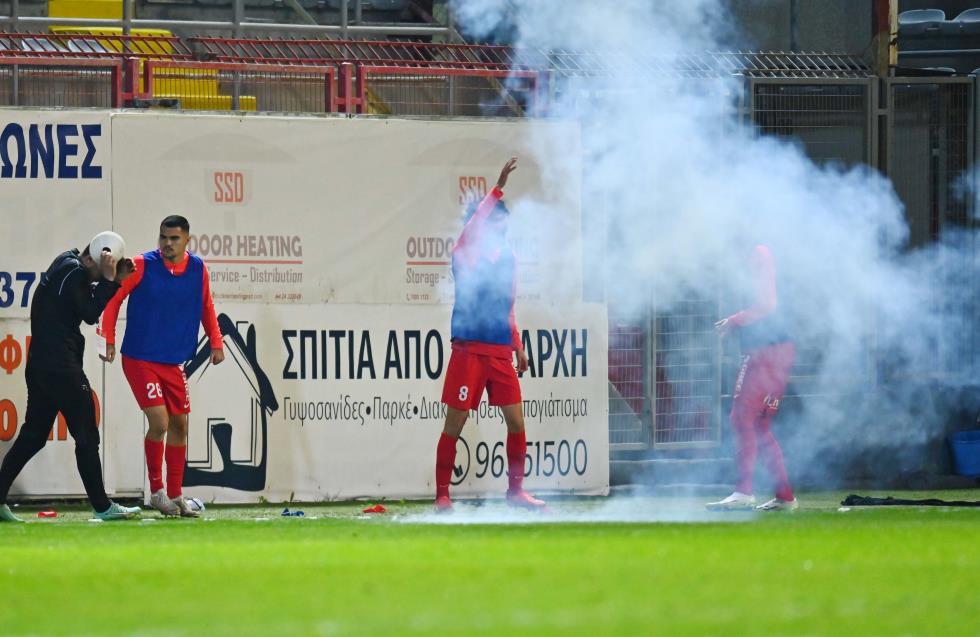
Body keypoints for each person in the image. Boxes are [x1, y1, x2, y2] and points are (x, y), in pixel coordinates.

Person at [0, 234, 142, 522]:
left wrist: (106, 277)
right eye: (98, 270)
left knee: (33, 435)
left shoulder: (66, 262)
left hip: (40, 365)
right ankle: (102, 506)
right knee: (87, 435)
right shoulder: (75, 272)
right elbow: (90, 314)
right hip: (60, 368)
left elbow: (79, 301)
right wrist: (111, 281)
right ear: (90, 259)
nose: (96, 278)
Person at [434, 157, 546, 512]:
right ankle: (442, 495)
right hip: (469, 350)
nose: (502, 229)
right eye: (497, 222)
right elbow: (480, 220)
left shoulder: (508, 258)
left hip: (499, 351)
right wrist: (497, 189)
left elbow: (509, 306)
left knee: (516, 421)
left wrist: (519, 347)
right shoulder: (465, 251)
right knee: (456, 422)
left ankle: (516, 491)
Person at [100, 215, 224, 517]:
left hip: (174, 360)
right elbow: (114, 300)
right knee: (160, 422)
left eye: (174, 239)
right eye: (163, 238)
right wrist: (109, 339)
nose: (167, 244)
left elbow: (206, 305)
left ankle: (176, 494)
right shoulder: (142, 265)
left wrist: (216, 341)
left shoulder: (198, 269)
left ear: (187, 241)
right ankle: (156, 492)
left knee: (181, 424)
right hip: (140, 358)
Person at [707, 244, 798, 512]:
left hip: (765, 353)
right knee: (759, 425)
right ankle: (785, 496)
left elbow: (768, 304)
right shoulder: (760, 254)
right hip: (779, 351)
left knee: (741, 417)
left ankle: (744, 491)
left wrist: (734, 320)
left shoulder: (758, 254)